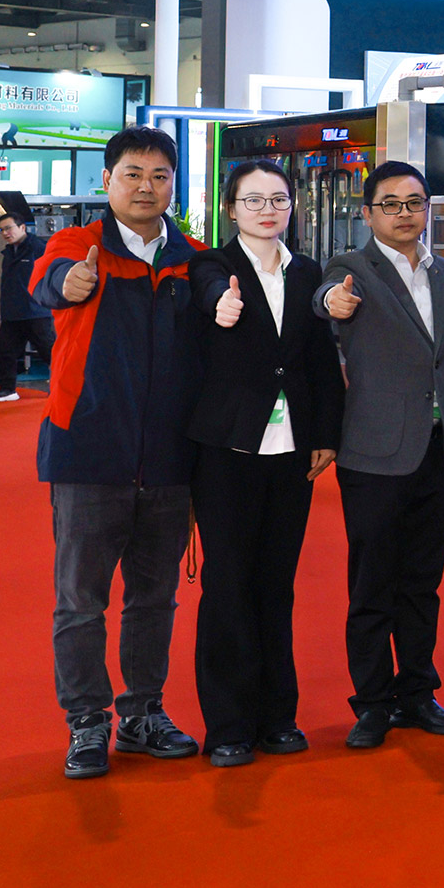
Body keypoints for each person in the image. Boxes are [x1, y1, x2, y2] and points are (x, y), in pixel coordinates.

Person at [32, 126, 204, 779]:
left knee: (155, 599)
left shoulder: (195, 260)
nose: (146, 187)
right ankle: (86, 723)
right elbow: (48, 281)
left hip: (170, 463)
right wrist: (70, 281)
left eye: (160, 176)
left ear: (173, 186)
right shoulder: (78, 245)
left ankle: (142, 714)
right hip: (88, 456)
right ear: (108, 180)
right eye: (133, 173)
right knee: (80, 601)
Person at [184, 160, 339, 767]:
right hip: (228, 451)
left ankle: (278, 716)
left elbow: (319, 360)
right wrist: (220, 305)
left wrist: (325, 433)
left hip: (292, 453)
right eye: (253, 200)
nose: (267, 210)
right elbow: (208, 293)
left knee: (276, 585)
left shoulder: (306, 272)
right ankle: (228, 725)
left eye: (278, 199)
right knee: (227, 585)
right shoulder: (212, 266)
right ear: (231, 209)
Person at [320, 161, 444, 749]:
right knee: (372, 586)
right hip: (375, 454)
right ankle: (372, 703)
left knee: (421, 583)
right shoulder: (351, 269)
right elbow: (326, 298)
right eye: (390, 204)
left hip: (436, 450)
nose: (404, 213)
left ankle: (417, 693)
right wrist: (332, 300)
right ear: (368, 213)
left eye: (414, 202)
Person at [0, 209, 52, 401]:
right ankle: (7, 389)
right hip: (12, 312)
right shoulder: (8, 252)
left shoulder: (38, 248)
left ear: (22, 227)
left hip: (36, 311)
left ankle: (68, 388)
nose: (5, 233)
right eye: (1, 230)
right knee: (6, 352)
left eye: (8, 228)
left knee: (50, 352)